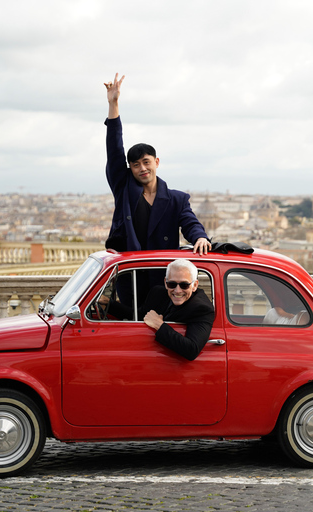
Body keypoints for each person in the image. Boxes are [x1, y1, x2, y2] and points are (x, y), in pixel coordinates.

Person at [103, 73, 211, 255]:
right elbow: (114, 149)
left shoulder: (177, 200)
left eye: (146, 162)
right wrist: (113, 104)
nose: (142, 168)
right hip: (131, 269)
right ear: (130, 168)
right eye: (136, 165)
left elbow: (190, 223)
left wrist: (200, 237)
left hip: (162, 269)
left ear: (157, 162)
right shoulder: (124, 190)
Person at [103, 259, 215, 361]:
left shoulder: (202, 308)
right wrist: (108, 303)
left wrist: (159, 325)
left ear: (194, 285)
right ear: (165, 282)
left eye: (184, 285)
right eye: (172, 284)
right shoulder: (157, 293)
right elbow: (140, 316)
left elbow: (191, 350)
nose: (177, 290)